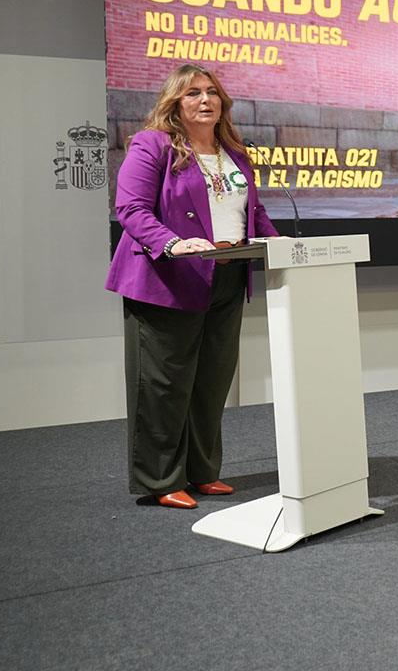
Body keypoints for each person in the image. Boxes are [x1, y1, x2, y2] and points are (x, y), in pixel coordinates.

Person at [104, 64, 279, 509]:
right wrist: (173, 243)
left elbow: (250, 215)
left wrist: (279, 246)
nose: (205, 100)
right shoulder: (153, 145)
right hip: (169, 276)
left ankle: (203, 472)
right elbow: (131, 208)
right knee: (164, 384)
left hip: (226, 274)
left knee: (212, 380)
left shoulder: (235, 152)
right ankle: (161, 479)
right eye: (193, 94)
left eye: (212, 92)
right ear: (174, 104)